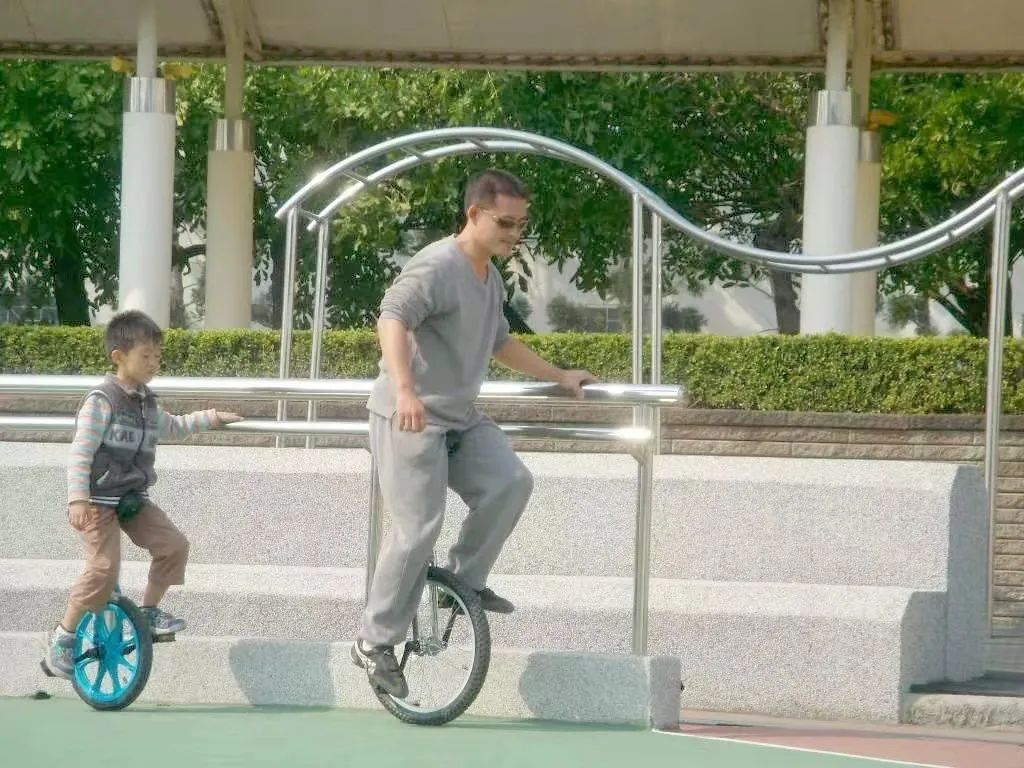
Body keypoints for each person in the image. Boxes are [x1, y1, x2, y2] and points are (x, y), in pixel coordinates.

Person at [352, 169, 596, 697]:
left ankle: (460, 584)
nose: (515, 234)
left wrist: (559, 375)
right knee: (418, 529)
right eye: (505, 223)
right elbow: (391, 318)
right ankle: (374, 641)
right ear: (473, 214)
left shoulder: (490, 278)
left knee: (511, 482)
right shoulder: (438, 264)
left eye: (521, 225)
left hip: (459, 416)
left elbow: (501, 342)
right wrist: (406, 389)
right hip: (410, 416)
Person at [42, 309, 241, 680]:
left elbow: (175, 426)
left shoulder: (147, 403)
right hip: (97, 501)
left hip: (132, 499)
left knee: (174, 545)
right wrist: (77, 498)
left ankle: (147, 612)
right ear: (119, 356)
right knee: (103, 569)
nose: (154, 363)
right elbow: (81, 453)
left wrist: (213, 417)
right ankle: (63, 639)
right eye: (146, 355)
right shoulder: (102, 401)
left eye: (157, 356)